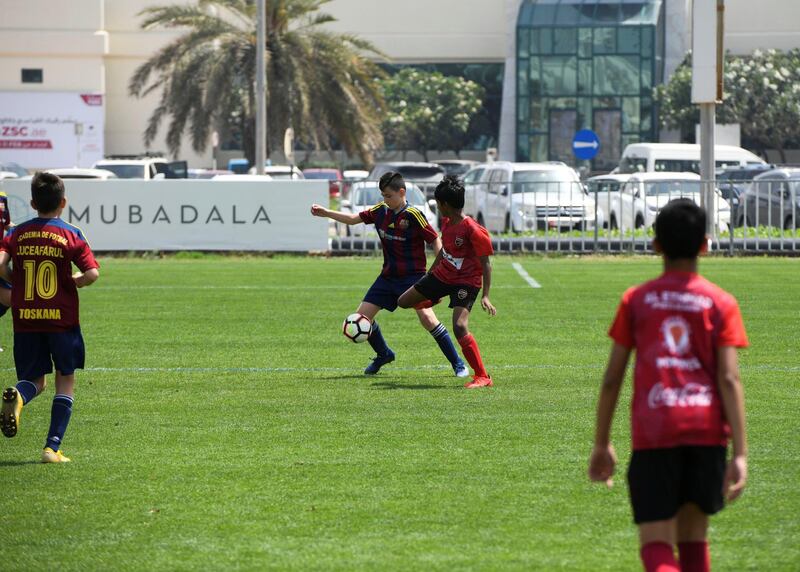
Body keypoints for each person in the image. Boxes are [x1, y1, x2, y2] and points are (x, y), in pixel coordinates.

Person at [588, 199, 748, 572]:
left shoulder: (637, 299)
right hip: (705, 433)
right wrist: (740, 453)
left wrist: (601, 443)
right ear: (705, 244)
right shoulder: (721, 303)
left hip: (656, 432)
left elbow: (613, 378)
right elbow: (729, 378)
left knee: (657, 541)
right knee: (694, 540)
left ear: (655, 244)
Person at [310, 171, 468, 377]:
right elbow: (351, 219)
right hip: (387, 277)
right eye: (383, 195)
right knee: (361, 318)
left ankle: (458, 363)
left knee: (428, 319)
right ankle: (384, 354)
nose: (385, 199)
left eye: (388, 195)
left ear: (401, 192)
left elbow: (434, 239)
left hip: (413, 277)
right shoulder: (380, 211)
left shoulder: (413, 215)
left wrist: (442, 264)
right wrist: (326, 212)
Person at [0, 172, 100, 463]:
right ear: (63, 202)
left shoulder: (16, 232)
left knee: (34, 380)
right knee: (64, 380)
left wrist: (10, 278)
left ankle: (19, 396)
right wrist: (74, 282)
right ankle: (51, 448)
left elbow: (2, 265)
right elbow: (92, 274)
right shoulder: (71, 234)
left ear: (32, 203)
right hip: (62, 319)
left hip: (26, 318)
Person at [397, 175, 496, 389]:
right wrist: (429, 275)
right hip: (443, 275)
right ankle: (435, 297)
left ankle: (482, 376)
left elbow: (486, 263)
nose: (438, 207)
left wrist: (486, 295)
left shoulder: (473, 230)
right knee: (403, 301)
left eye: (438, 203)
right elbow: (444, 252)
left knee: (460, 326)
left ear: (445, 205)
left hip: (466, 282)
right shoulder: (448, 222)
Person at [0, 189, 14, 349]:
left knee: (10, 298)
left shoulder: (2, 196)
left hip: (1, 256)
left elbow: (6, 223)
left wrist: (22, 228)